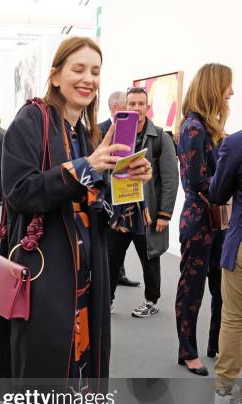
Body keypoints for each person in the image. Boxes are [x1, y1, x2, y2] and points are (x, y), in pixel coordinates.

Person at [0, 37, 152, 404]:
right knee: (65, 386)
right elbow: (20, 190)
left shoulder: (85, 132)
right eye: (79, 68)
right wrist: (87, 168)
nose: (89, 78)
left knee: (73, 385)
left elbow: (94, 209)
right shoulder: (32, 120)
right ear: (55, 75)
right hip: (48, 284)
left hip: (83, 283)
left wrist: (126, 184)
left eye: (96, 70)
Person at [175, 63, 233, 375]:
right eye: (228, 87)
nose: (232, 93)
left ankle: (214, 343)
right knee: (192, 288)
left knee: (220, 288)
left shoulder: (207, 129)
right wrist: (230, 178)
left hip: (216, 221)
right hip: (199, 222)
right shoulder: (193, 129)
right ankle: (187, 351)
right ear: (213, 88)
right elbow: (197, 182)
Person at [107, 87, 179, 317]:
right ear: (125, 106)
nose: (136, 108)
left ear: (147, 107)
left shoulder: (161, 138)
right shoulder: (115, 135)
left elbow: (170, 178)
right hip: (120, 213)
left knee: (150, 258)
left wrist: (165, 214)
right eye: (132, 104)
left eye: (140, 104)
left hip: (146, 212)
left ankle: (151, 300)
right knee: (110, 259)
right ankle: (105, 301)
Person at [209, 132, 242, 404]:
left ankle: (224, 387)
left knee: (233, 316)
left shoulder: (236, 143)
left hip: (241, 242)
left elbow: (218, 193)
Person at [99, 91, 140, 287]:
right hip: (106, 193)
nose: (131, 109)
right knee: (108, 241)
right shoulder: (100, 130)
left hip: (124, 191)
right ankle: (106, 282)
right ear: (116, 108)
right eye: (127, 105)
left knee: (119, 239)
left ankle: (118, 274)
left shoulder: (132, 130)